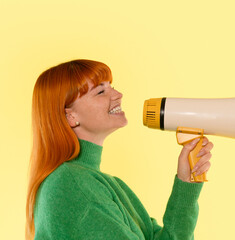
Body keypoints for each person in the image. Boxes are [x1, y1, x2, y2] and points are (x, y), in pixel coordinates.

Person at [25, 59, 213, 240]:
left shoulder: (102, 184)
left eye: (111, 86)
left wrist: (186, 182)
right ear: (70, 116)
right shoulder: (72, 184)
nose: (118, 95)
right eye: (100, 91)